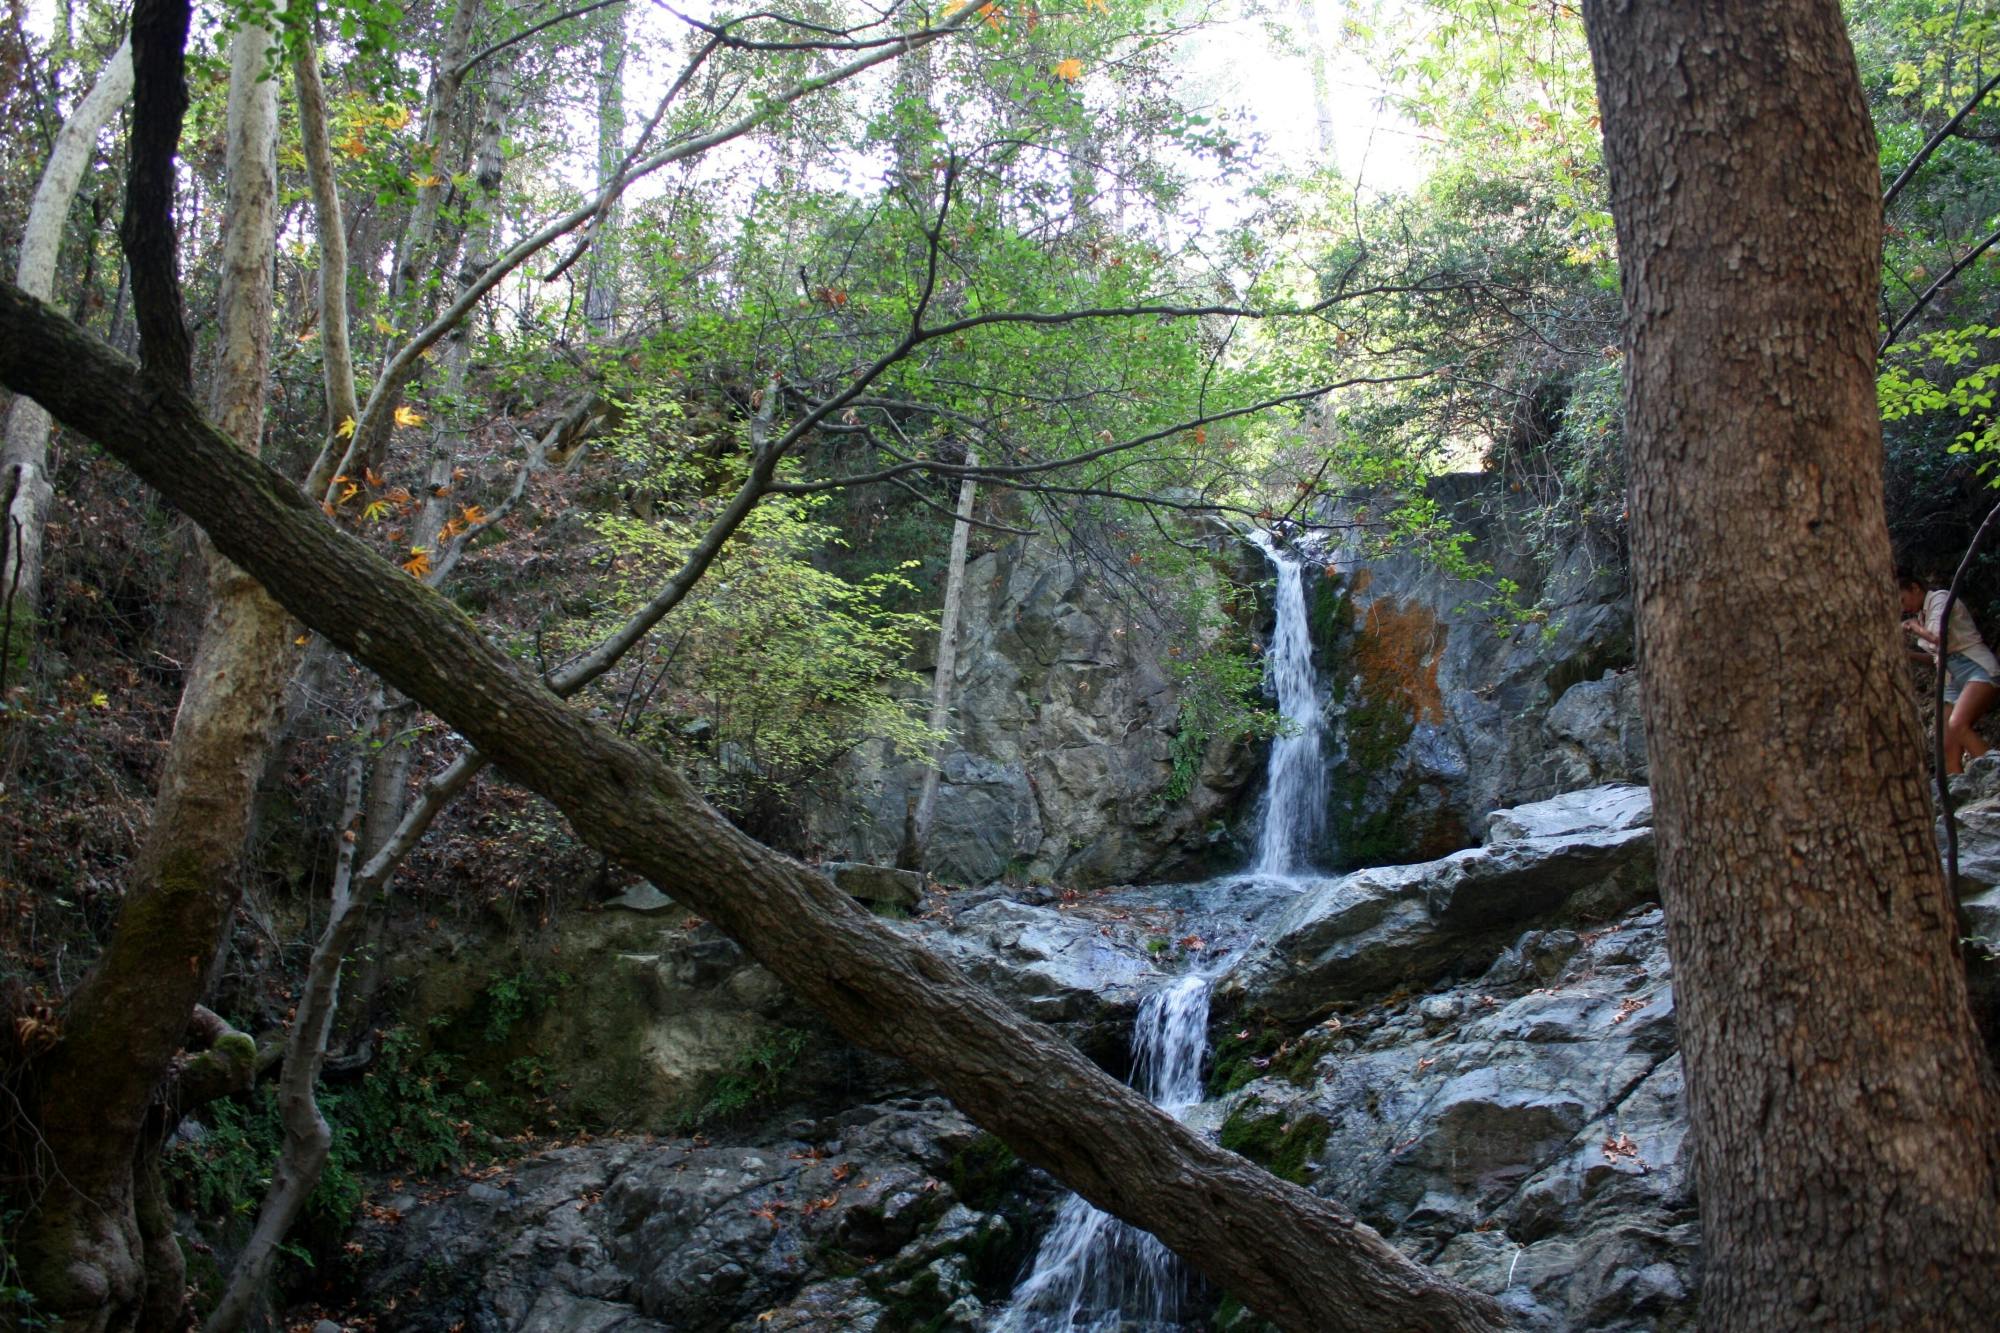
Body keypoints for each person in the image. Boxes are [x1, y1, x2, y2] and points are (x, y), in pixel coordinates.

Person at [1899, 568, 2000, 775]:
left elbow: (1938, 637)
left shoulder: (1940, 598)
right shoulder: (1921, 615)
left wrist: (1913, 627)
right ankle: (1957, 795)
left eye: (1902, 599)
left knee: (1957, 724)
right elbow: (1938, 656)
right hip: (1952, 678)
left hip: (1976, 668)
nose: (1903, 607)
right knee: (1948, 747)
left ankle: (1995, 774)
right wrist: (1908, 654)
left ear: (1915, 588)